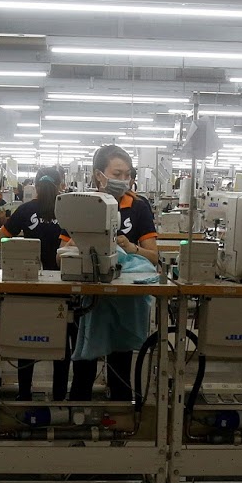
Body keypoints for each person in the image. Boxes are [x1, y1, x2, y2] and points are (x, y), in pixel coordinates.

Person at [69, 144, 157, 402]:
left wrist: (130, 248)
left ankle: (122, 416)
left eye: (127, 175)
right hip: (88, 297)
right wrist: (81, 243)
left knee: (120, 368)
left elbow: (154, 256)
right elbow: (61, 253)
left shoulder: (138, 207)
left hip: (124, 299)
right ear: (99, 175)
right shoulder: (82, 204)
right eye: (117, 174)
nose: (123, 180)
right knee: (84, 369)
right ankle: (78, 413)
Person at [3, 169, 72, 401]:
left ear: (35, 186)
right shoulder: (69, 211)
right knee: (61, 340)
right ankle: (60, 396)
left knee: (27, 338)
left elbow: (0, 239)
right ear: (61, 185)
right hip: (63, 286)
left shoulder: (25, 210)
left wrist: (19, 243)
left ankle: (24, 394)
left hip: (30, 284)